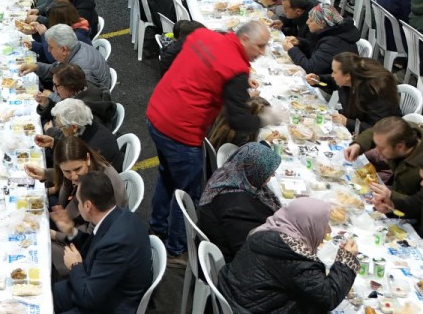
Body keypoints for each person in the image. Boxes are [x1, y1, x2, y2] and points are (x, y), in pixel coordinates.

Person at [146, 22, 279, 261]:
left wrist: (236, 85)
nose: (262, 52)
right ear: (244, 39)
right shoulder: (236, 70)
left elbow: (205, 65)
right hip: (181, 132)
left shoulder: (204, 35)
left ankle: (157, 226)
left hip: (157, 114)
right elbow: (239, 120)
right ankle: (176, 248)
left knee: (167, 176)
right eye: (259, 46)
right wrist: (268, 118)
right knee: (188, 193)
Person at [218, 197, 359, 314]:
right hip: (246, 308)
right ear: (308, 225)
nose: (328, 231)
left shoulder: (269, 231)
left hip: (233, 296)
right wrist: (346, 259)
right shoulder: (293, 256)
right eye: (324, 224)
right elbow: (328, 297)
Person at [50, 171, 153, 314]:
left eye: (78, 202)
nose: (78, 206)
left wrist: (75, 265)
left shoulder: (115, 243)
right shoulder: (118, 215)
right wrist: (71, 231)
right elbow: (94, 247)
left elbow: (89, 298)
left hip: (109, 304)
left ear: (87, 206)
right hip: (99, 284)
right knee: (46, 295)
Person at [25, 137, 126, 274]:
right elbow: (65, 173)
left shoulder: (105, 187)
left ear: (87, 159)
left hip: (90, 246)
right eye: (67, 171)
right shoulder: (86, 169)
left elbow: (91, 237)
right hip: (72, 224)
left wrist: (57, 235)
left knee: (38, 247)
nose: (73, 176)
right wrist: (45, 173)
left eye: (77, 169)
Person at [196, 142, 282, 262]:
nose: (272, 175)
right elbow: (246, 249)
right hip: (230, 260)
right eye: (269, 171)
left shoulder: (229, 174)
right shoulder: (238, 206)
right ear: (255, 170)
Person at [344, 116, 423, 196]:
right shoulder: (405, 129)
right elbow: (375, 132)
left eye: (382, 148)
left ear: (400, 146)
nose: (377, 151)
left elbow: (420, 203)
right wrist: (358, 145)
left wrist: (391, 196)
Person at [22, 23, 110, 92]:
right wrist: (37, 67)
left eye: (51, 47)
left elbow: (78, 102)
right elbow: (59, 68)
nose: (48, 50)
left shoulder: (79, 70)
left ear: (64, 49)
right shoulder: (77, 45)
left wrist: (50, 97)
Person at [284, 3, 360, 79]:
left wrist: (292, 50)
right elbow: (319, 49)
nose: (307, 22)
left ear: (321, 24)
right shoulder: (332, 32)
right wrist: (300, 42)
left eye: (311, 20)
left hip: (331, 81)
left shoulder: (334, 42)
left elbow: (311, 68)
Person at [330, 53, 402, 132]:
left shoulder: (374, 91)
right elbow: (335, 80)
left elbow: (376, 128)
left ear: (347, 76)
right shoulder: (353, 75)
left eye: (334, 72)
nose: (332, 75)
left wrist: (347, 122)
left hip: (386, 131)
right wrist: (320, 79)